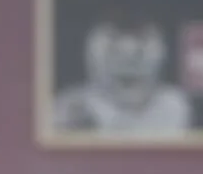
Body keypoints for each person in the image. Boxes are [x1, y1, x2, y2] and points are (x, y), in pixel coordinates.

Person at [52, 19, 192, 137]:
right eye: (112, 47)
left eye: (141, 44)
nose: (128, 57)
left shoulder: (174, 104)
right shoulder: (67, 109)